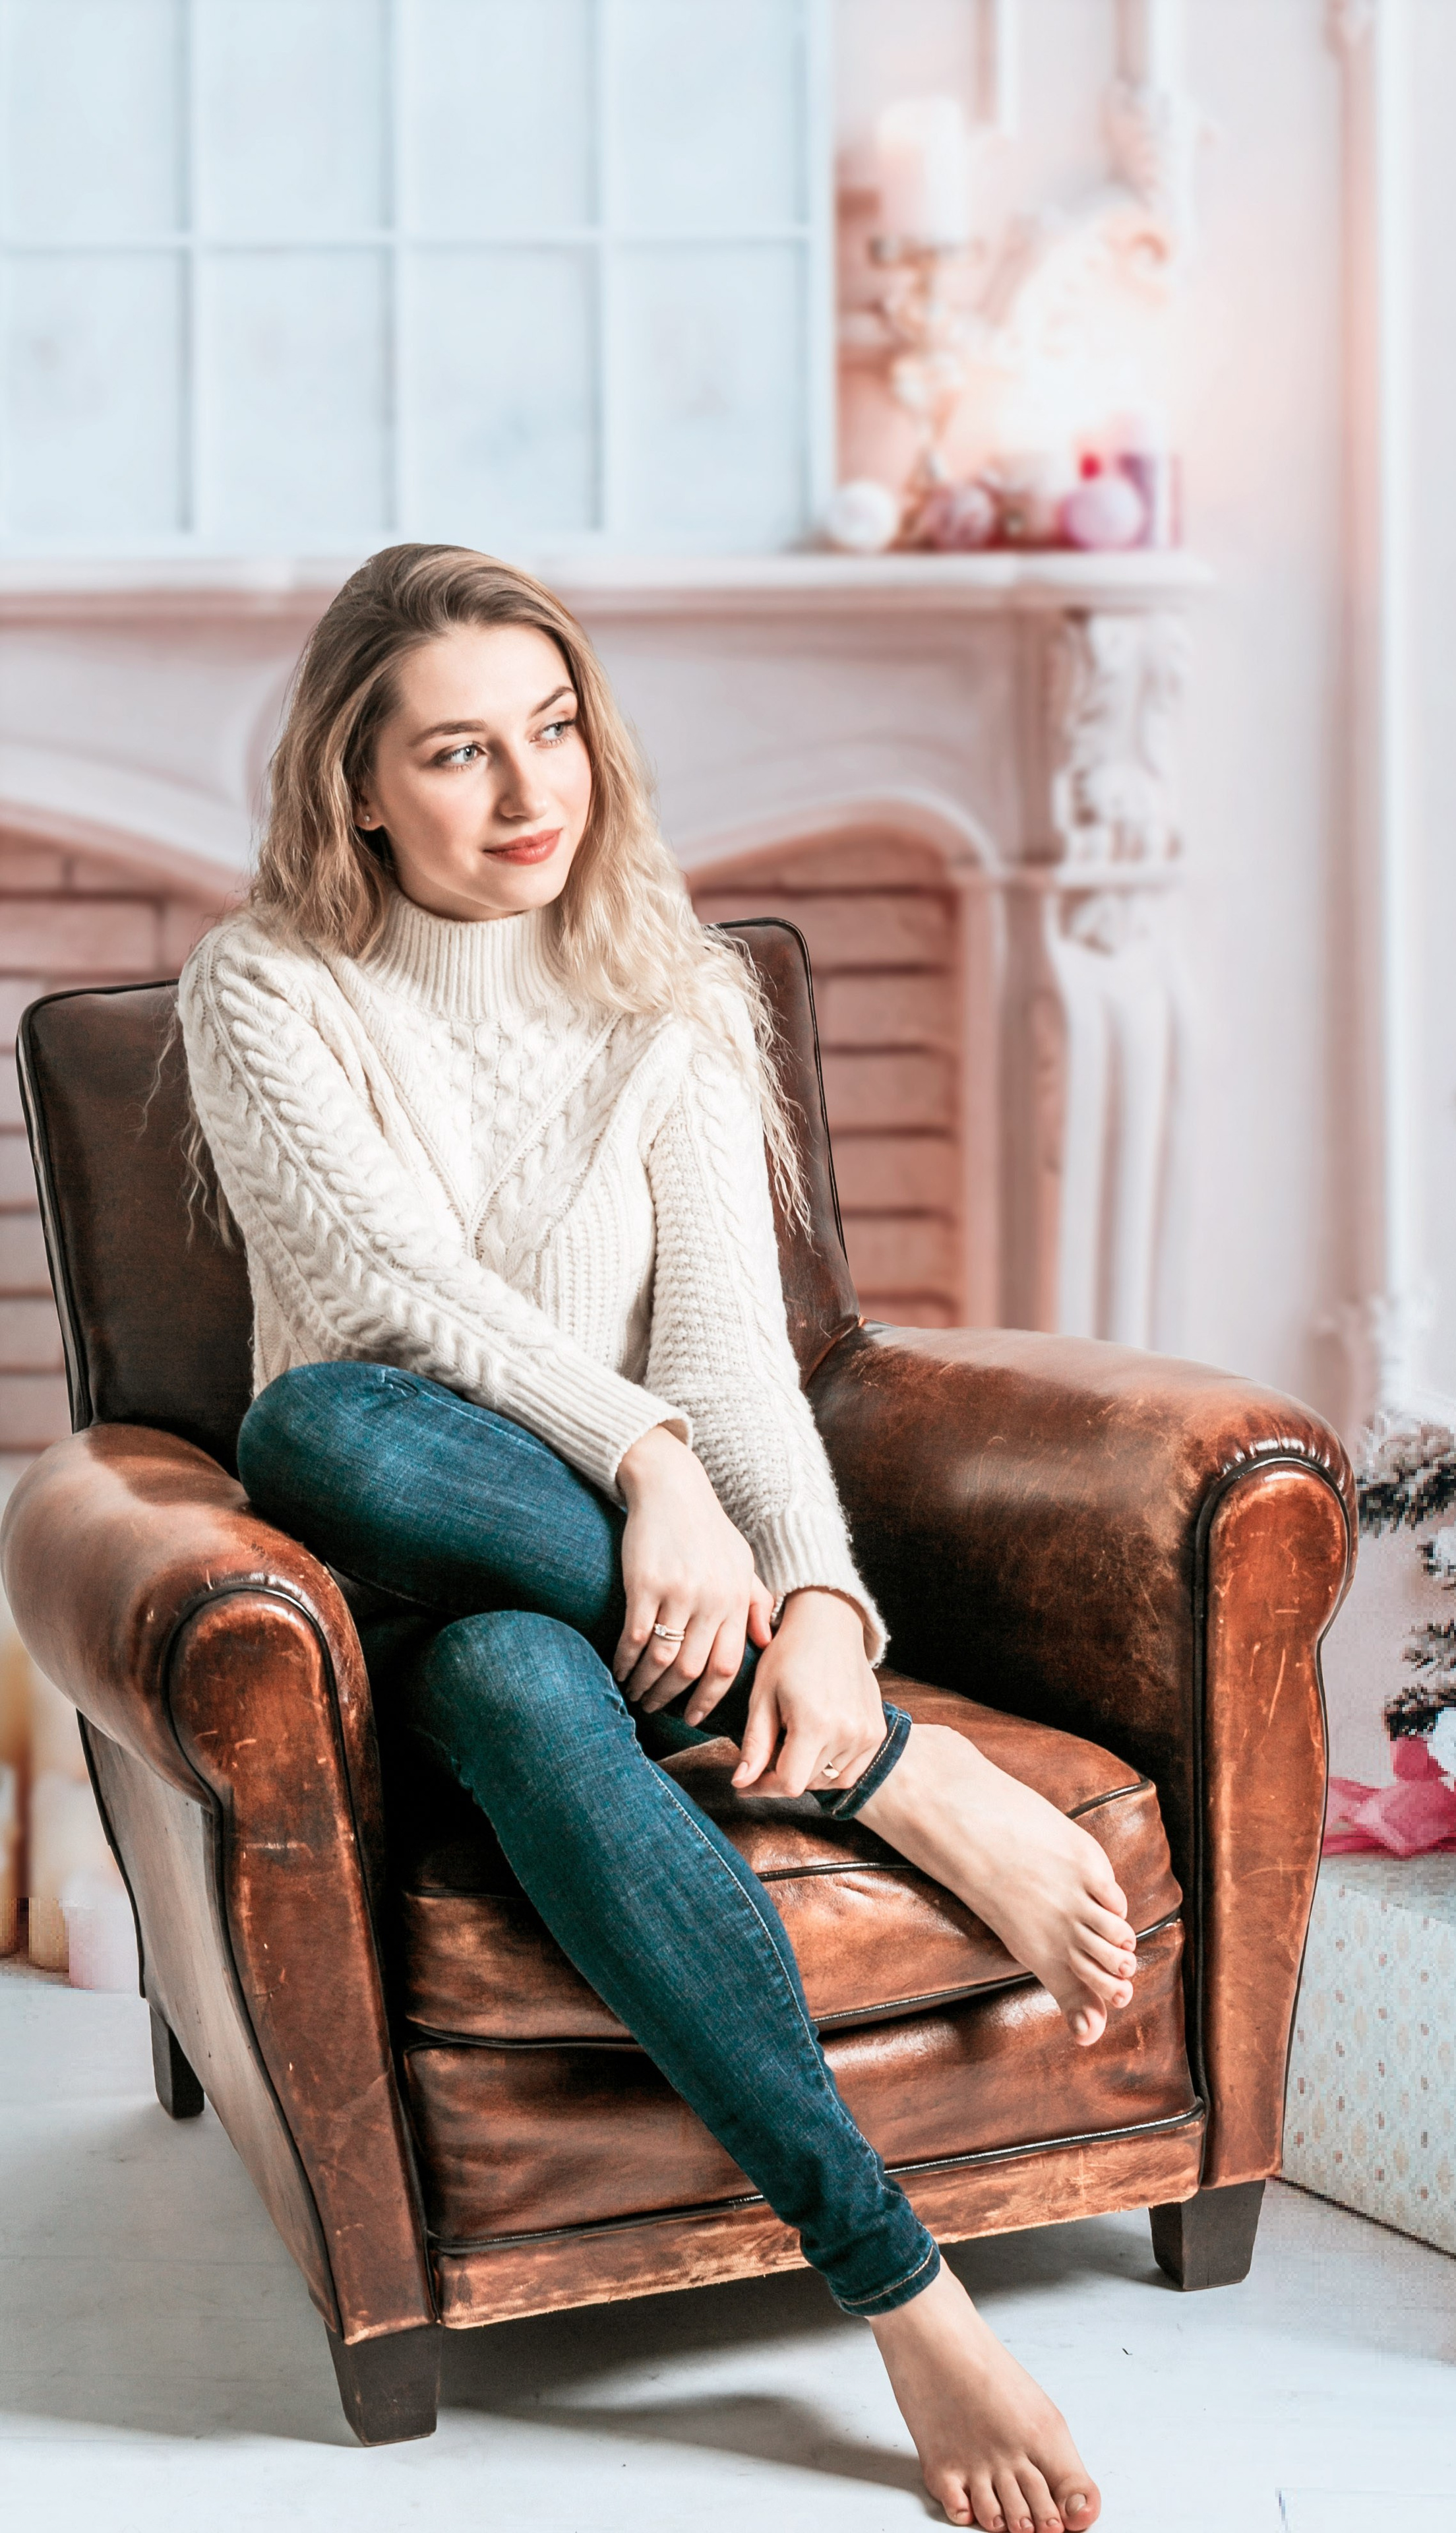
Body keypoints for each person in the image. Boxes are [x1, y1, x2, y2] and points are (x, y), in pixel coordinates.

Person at [179, 543, 1137, 2533]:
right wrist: (653, 1474)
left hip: (553, 1613)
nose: (533, 798)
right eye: (458, 754)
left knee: (535, 1702)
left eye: (554, 735)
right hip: (408, 1523)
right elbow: (393, 1287)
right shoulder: (267, 987)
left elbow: (733, 1346)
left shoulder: (670, 993)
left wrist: (817, 1612)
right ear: (357, 780)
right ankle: (896, 1788)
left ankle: (897, 2291)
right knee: (315, 1417)